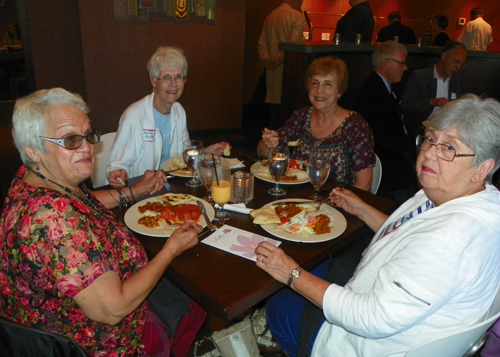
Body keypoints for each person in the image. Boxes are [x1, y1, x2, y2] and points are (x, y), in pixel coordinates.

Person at [255, 93, 500, 357]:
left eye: (449, 148)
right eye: (430, 139)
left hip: (361, 343)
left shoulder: (453, 239)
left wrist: (292, 274)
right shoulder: (460, 195)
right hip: (382, 299)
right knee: (325, 266)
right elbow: (411, 235)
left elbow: (370, 318)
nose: (429, 154)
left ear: (482, 168)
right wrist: (363, 210)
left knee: (279, 304)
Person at [0, 88, 207, 356]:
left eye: (88, 135)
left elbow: (83, 201)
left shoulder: (40, 178)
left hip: (65, 313)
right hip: (97, 343)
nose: (87, 147)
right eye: (70, 139)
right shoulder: (50, 219)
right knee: (196, 303)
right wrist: (171, 249)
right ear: (33, 150)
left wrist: (136, 191)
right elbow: (113, 310)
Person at [106, 46, 229, 188]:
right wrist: (117, 172)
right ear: (153, 81)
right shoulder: (134, 116)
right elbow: (116, 165)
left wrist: (205, 152)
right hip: (143, 190)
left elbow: (182, 157)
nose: (174, 85)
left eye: (178, 77)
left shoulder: (178, 110)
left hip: (173, 185)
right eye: (166, 78)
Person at [258, 57, 375, 191]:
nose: (319, 90)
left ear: (340, 91)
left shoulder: (355, 126)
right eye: (315, 83)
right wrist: (270, 144)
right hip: (298, 197)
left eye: (328, 84)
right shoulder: (301, 117)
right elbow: (261, 151)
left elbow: (364, 184)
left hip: (338, 202)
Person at [354, 41, 414, 200]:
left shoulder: (381, 86)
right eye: (401, 63)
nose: (405, 68)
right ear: (386, 64)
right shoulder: (374, 93)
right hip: (383, 166)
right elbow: (387, 138)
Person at [400, 41, 467, 139]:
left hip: (444, 130)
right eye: (456, 62)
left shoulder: (455, 80)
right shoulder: (420, 76)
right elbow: (405, 105)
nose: (458, 67)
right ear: (444, 56)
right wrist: (432, 102)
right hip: (419, 131)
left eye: (462, 64)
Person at [258, 0, 306, 129]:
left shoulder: (271, 15)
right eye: (300, 2)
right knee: (287, 104)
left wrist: (268, 60)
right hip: (288, 68)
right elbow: (293, 45)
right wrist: (280, 59)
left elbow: (262, 42)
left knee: (273, 105)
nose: (301, 5)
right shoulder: (297, 16)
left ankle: (271, 135)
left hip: (271, 68)